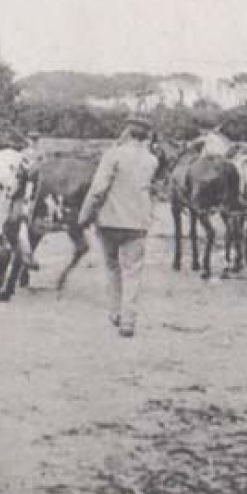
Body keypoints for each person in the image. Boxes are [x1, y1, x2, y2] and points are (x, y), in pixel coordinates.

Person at [76, 115, 161, 337]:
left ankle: (115, 312)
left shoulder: (112, 155)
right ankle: (128, 321)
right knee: (132, 270)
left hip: (109, 221)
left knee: (112, 266)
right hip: (137, 222)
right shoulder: (152, 160)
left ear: (127, 132)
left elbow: (98, 190)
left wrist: (84, 215)